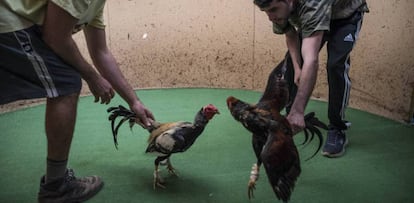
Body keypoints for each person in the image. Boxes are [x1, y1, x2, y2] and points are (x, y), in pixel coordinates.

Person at [0, 0, 155, 202]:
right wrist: (92, 77)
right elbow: (55, 37)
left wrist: (134, 102)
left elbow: (100, 52)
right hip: (9, 22)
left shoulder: (97, 5)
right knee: (66, 82)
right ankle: (56, 186)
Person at [253, 0, 369, 158]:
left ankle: (337, 128)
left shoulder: (312, 4)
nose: (270, 17)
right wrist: (297, 67)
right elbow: (290, 34)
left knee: (336, 65)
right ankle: (289, 117)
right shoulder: (278, 10)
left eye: (273, 10)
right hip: (314, 15)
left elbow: (311, 59)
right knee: (291, 63)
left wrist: (299, 110)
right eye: (266, 12)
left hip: (345, 16)